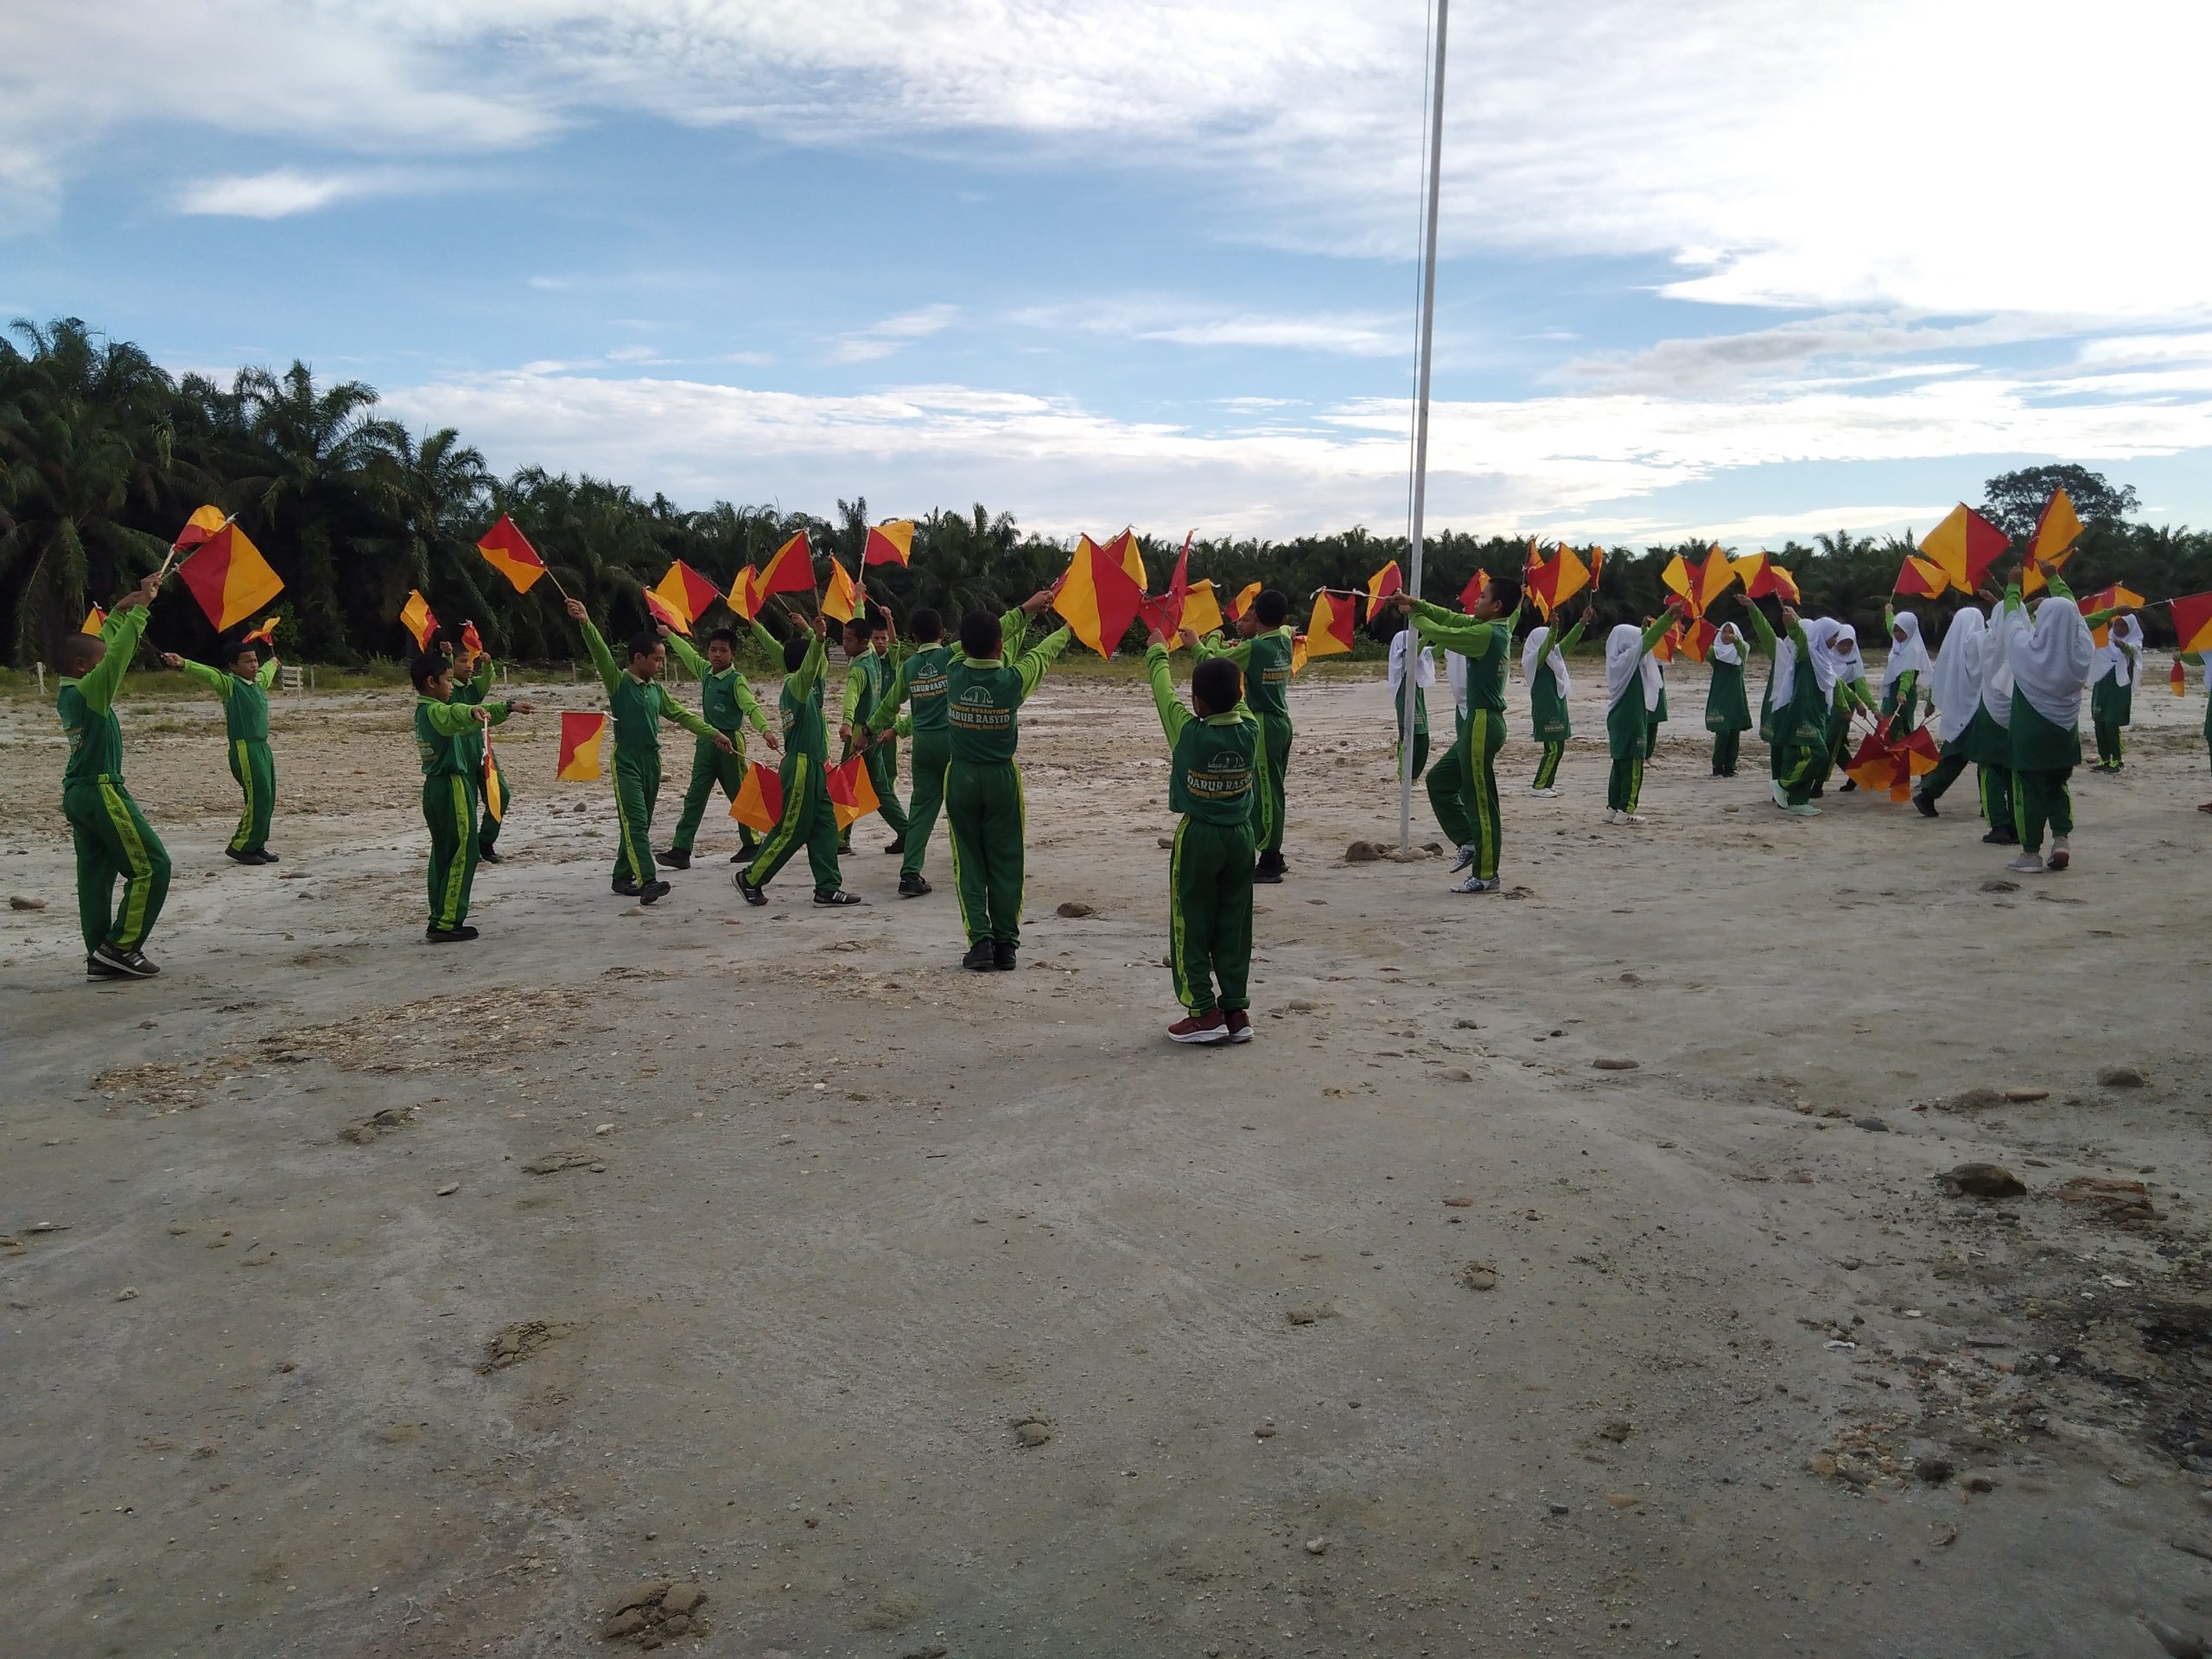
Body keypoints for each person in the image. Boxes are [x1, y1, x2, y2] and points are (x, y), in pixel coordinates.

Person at [564, 597, 733, 904]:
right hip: (626, 760)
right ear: (638, 658)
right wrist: (586, 623)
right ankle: (647, 879)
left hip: (652, 762)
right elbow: (600, 652)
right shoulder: (618, 682)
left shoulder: (656, 690)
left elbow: (682, 715)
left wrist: (714, 734)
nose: (660, 665)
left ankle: (621, 875)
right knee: (636, 822)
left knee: (637, 822)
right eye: (657, 660)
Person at [1144, 625, 1267, 1045]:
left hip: (1199, 838)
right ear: (1239, 694)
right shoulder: (1250, 730)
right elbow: (1235, 692)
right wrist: (1200, 650)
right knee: (1234, 922)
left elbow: (1163, 693)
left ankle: (1201, 1009)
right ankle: (1235, 1008)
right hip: (1241, 837)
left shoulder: (1189, 733)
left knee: (1190, 923)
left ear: (1196, 701)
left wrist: (1158, 652)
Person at [942, 594, 1070, 969]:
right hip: (1001, 778)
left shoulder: (951, 670)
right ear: (1000, 647)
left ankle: (979, 942)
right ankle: (1006, 945)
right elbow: (1042, 655)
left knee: (968, 861)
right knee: (1007, 861)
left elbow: (986, 641)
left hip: (961, 775)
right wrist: (1068, 628)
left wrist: (1024, 611)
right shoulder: (1012, 680)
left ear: (962, 646)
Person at [56, 572, 171, 978]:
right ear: (83, 666)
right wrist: (142, 610)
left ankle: (100, 954)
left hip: (77, 793)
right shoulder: (90, 690)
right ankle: (121, 946)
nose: (106, 670)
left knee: (95, 876)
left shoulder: (68, 691)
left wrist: (120, 612)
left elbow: (103, 648)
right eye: (97, 665)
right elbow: (117, 656)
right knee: (153, 866)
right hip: (102, 789)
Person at [1396, 577, 1524, 893]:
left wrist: (1414, 617)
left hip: (1483, 723)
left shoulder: (1487, 633)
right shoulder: (1488, 628)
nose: (1476, 601)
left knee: (1480, 800)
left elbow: (1444, 633)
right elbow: (1452, 619)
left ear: (1497, 606)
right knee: (1439, 781)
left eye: (1482, 597)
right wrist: (1418, 604)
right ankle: (1468, 840)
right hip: (1476, 723)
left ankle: (1486, 874)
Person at [735, 612, 864, 907]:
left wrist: (806, 630)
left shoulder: (809, 687)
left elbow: (814, 665)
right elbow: (809, 668)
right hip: (802, 766)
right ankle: (751, 877)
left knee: (825, 827)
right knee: (792, 829)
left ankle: (827, 887)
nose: (820, 666)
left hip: (816, 767)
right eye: (815, 659)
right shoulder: (796, 686)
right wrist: (817, 639)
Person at [411, 651, 530, 942]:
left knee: (443, 852)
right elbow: (456, 714)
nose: (452, 687)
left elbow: (469, 720)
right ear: (431, 682)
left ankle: (440, 915)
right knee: (463, 852)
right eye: (448, 680)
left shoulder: (423, 710)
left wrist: (507, 707)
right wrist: (468, 711)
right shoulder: (435, 710)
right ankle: (447, 921)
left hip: (434, 788)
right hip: (451, 786)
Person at [1998, 572, 2099, 874]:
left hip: (2030, 730)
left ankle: (2030, 854)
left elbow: (2012, 616)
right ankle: (2061, 840)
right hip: (2064, 731)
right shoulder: (2083, 651)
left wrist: (2014, 585)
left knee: (2028, 790)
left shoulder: (2025, 649)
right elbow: (2074, 612)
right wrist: (2055, 578)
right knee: (2058, 785)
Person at [656, 624, 779, 868]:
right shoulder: (705, 672)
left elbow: (750, 707)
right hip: (706, 741)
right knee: (694, 795)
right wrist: (670, 635)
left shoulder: (736, 680)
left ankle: (752, 842)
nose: (717, 655)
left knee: (740, 794)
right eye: (713, 650)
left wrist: (765, 730)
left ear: (732, 654)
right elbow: (688, 654)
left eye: (723, 651)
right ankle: (681, 849)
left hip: (731, 742)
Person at [1197, 590, 1295, 883]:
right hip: (1282, 722)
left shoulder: (1254, 648)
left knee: (1265, 793)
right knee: (1274, 790)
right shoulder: (1286, 639)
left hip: (1263, 723)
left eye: (1248, 617)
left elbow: (1216, 663)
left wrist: (1207, 640)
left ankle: (1268, 860)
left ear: (1258, 620)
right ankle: (1273, 853)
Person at [159, 636, 283, 864]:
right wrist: (183, 663)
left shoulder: (258, 683)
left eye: (255, 660)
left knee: (267, 797)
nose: (254, 665)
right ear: (233, 666)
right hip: (245, 748)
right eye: (247, 662)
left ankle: (256, 843)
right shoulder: (230, 685)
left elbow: (267, 671)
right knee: (258, 797)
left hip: (262, 747)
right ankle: (241, 846)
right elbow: (208, 674)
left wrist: (273, 662)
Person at [1745, 603, 1873, 816]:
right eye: (1833, 636)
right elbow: (1799, 637)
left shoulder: (1824, 661)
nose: (1835, 641)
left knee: (1800, 758)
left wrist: (1848, 706)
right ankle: (1784, 786)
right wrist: (1791, 623)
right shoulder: (1805, 655)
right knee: (1817, 754)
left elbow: (1836, 685)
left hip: (1817, 717)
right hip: (1800, 716)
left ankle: (1797, 801)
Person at [865, 606, 955, 897]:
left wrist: (870, 729)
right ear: (942, 633)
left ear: (914, 637)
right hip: (954, 743)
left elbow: (889, 706)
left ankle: (910, 874)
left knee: (920, 812)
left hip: (923, 746)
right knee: (961, 809)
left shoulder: (909, 667)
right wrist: (1026, 611)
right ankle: (969, 867)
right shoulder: (952, 656)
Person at [1911, 607, 2000, 827]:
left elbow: (1940, 677)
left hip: (1957, 709)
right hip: (1980, 708)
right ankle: (1989, 803)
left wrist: (1933, 702)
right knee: (1988, 758)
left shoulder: (1950, 648)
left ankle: (1928, 794)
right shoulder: (1981, 642)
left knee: (1953, 756)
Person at [836, 608, 910, 855]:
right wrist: (857, 598)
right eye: (843, 638)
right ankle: (905, 830)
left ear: (862, 642)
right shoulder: (872, 660)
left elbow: (851, 696)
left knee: (845, 784)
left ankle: (839, 840)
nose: (844, 644)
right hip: (874, 729)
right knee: (879, 786)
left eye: (848, 640)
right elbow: (859, 618)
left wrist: (847, 722)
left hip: (860, 733)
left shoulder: (860, 668)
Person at [1602, 604, 1683, 823]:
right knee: (1634, 763)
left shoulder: (1616, 662)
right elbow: (1646, 642)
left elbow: (1644, 641)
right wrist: (1668, 617)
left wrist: (1645, 626)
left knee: (1619, 763)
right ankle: (1626, 810)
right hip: (1631, 716)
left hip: (1617, 717)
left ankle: (1612, 808)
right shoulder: (1628, 661)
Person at [449, 641, 510, 864]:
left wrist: (487, 664)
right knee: (467, 802)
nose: (468, 666)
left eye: (471, 661)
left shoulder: (474, 686)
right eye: (462, 661)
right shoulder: (446, 688)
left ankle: (485, 841)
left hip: (482, 746)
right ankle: (468, 847)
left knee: (500, 793)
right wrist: (446, 656)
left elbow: (487, 679)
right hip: (459, 747)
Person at [1522, 600, 1591, 796]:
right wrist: (1553, 627)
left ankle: (1548, 783)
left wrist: (1582, 623)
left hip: (1558, 705)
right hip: (1546, 707)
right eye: (1549, 642)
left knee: (1559, 748)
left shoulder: (1555, 656)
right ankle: (1539, 785)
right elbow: (1546, 648)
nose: (1552, 645)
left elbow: (1569, 641)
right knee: (1552, 749)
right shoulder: (1538, 660)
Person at [1967, 594, 2020, 844]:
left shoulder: (1983, 642)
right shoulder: (2023, 642)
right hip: (2017, 715)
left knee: (1991, 772)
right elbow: (2015, 617)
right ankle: (2018, 823)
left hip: (1990, 712)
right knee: (2015, 772)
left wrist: (2000, 601)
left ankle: (1998, 824)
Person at [1819, 625, 1871, 795]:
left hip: (1843, 710)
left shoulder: (1854, 660)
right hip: (1824, 705)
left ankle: (1817, 785)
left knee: (1829, 743)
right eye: (1842, 643)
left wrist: (1871, 708)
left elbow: (1860, 686)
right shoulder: (1825, 657)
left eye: (1850, 644)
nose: (1845, 648)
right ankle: (1855, 775)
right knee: (1836, 745)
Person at [2088, 612, 2144, 772]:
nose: (2118, 628)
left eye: (2123, 625)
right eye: (2116, 625)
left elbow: (2133, 650)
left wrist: (2122, 645)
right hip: (2102, 683)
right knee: (2099, 721)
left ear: (2130, 627)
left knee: (2112, 722)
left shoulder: (2135, 640)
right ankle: (2104, 759)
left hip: (2119, 685)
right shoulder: (2104, 638)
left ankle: (2117, 760)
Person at [1382, 613, 1433, 782]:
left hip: (1418, 699)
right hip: (1405, 698)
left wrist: (1445, 633)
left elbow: (1432, 652)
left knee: (1423, 738)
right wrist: (1429, 630)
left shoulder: (1417, 661)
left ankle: (1415, 775)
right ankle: (1405, 774)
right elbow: (1415, 650)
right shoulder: (1401, 660)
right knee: (1410, 736)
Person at [1705, 619, 1752, 777]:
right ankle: (1717, 765)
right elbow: (1702, 648)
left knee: (1734, 732)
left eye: (1731, 632)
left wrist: (1736, 640)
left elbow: (1741, 646)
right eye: (1724, 632)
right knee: (1723, 731)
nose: (1727, 635)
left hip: (1736, 698)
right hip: (1719, 697)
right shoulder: (1714, 652)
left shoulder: (1742, 650)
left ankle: (1730, 766)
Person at [1879, 607, 1931, 735]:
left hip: (1905, 693)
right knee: (1887, 720)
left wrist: (1902, 692)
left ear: (1910, 630)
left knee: (1902, 724)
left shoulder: (1912, 649)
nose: (1897, 634)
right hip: (1892, 691)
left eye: (1902, 631)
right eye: (1896, 631)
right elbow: (1891, 626)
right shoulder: (1898, 644)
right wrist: (1889, 613)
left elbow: (1907, 674)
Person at [1642, 620, 1669, 761]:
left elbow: (1666, 661)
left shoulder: (1661, 644)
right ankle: (1641, 751)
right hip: (1644, 682)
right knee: (1643, 720)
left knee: (1654, 720)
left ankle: (1648, 754)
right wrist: (1644, 628)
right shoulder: (1643, 642)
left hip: (1657, 682)